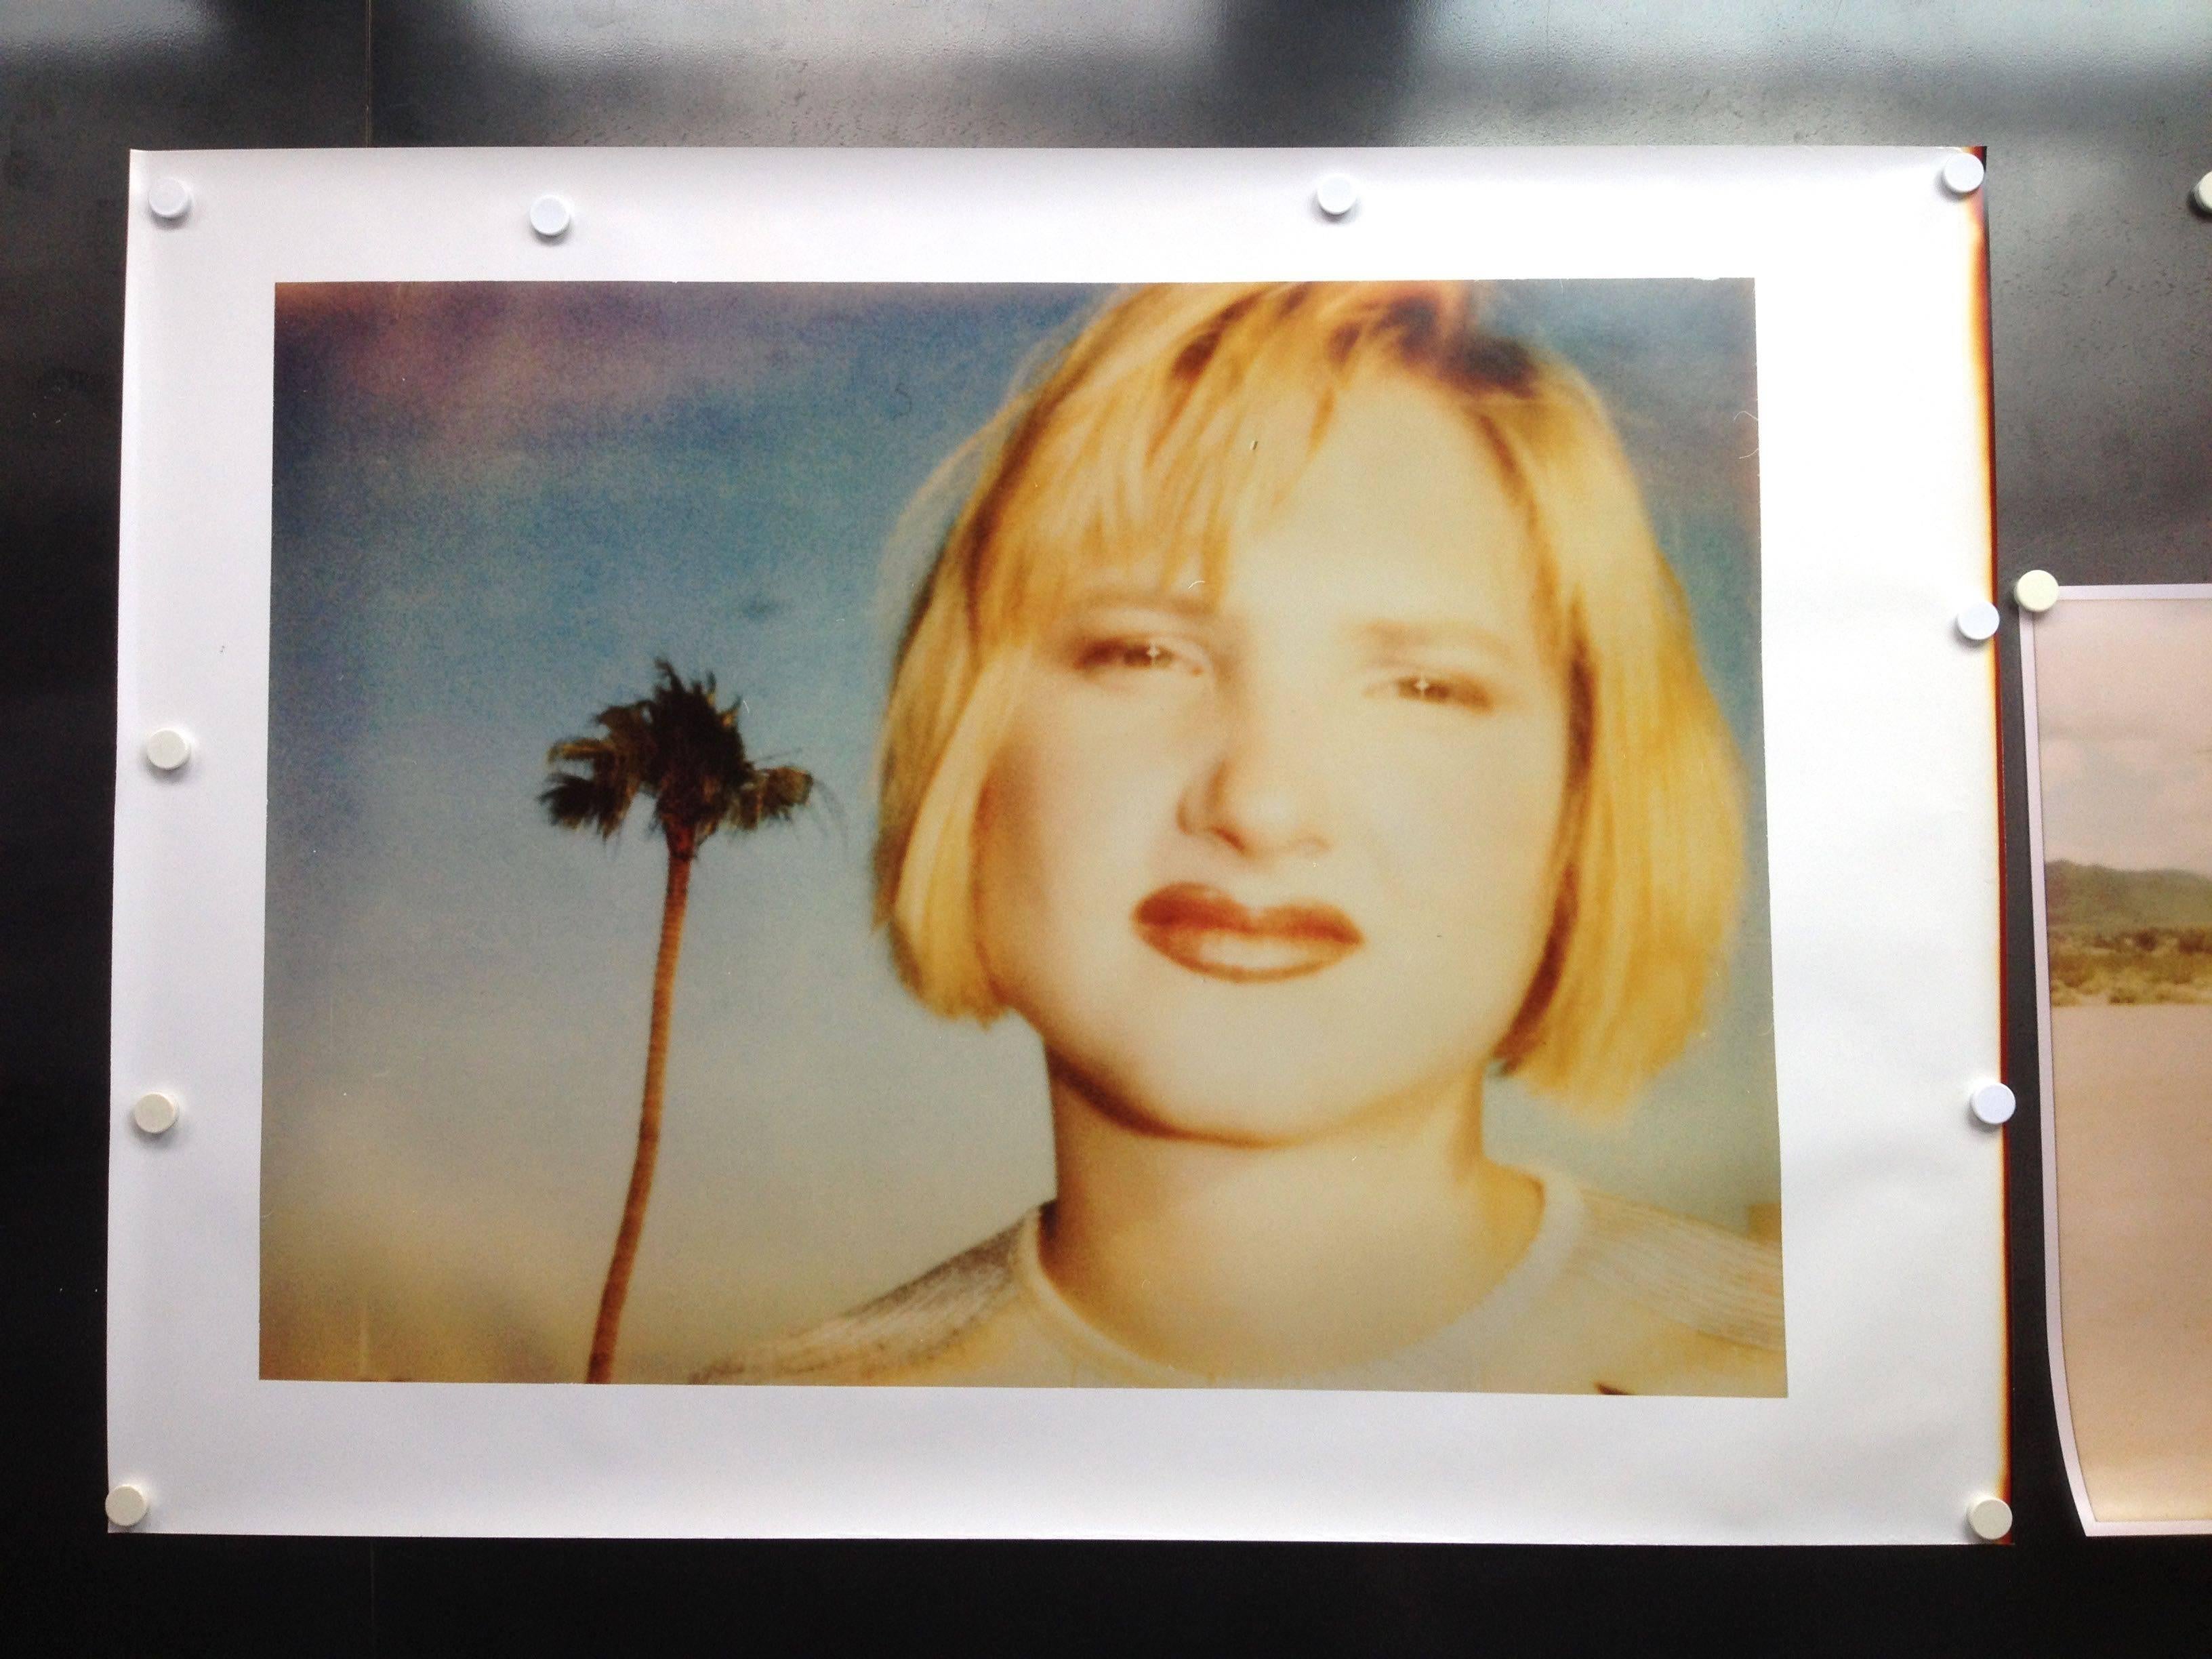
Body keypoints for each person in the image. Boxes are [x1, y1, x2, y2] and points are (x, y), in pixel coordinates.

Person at [699, 282, 1783, 1393]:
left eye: (1422, 685)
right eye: (1144, 654)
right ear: (971, 753)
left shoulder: (1845, 1403)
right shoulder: (726, 1470)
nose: (1260, 805)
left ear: (1586, 794)